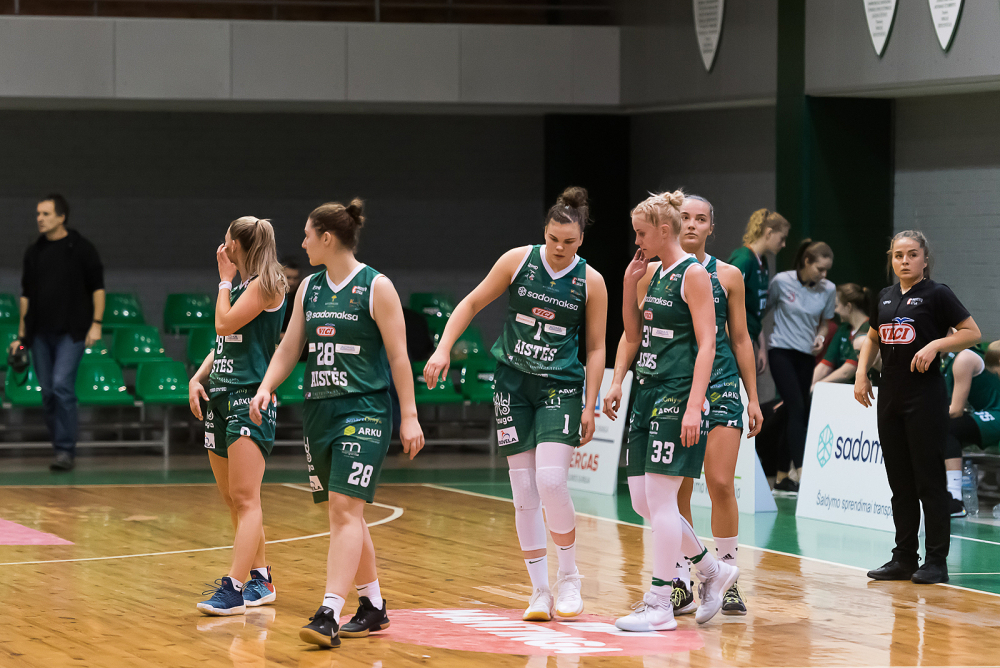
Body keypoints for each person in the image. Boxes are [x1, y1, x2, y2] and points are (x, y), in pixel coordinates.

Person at [423, 187, 608, 622]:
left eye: (569, 241)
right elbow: (471, 302)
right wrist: (443, 348)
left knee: (551, 481)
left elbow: (597, 348)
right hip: (512, 384)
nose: (559, 248)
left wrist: (590, 404)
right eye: (553, 239)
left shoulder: (592, 281)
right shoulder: (517, 260)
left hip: (560, 386)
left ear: (581, 239)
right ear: (544, 233)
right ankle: (539, 591)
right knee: (524, 491)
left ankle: (569, 576)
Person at [248, 199, 425, 648]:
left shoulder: (376, 286)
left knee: (345, 509)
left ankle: (328, 611)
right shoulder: (309, 287)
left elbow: (399, 357)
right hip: (320, 412)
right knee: (346, 511)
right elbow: (290, 346)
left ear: (327, 237)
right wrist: (266, 386)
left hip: (364, 409)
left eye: (308, 235)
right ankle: (373, 604)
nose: (303, 243)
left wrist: (409, 416)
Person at [604, 195, 763, 618]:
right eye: (686, 217)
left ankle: (722, 576)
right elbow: (634, 334)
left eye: (700, 219)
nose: (692, 224)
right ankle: (683, 580)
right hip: (661, 387)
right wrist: (617, 379)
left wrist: (753, 396)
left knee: (719, 482)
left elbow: (736, 339)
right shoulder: (650, 273)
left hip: (714, 385)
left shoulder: (721, 275)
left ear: (711, 227)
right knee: (666, 495)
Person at [855, 230, 980, 585]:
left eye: (912, 254)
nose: (905, 261)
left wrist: (937, 344)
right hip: (889, 397)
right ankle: (904, 557)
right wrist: (862, 373)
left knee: (929, 480)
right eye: (898, 255)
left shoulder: (937, 294)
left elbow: (972, 332)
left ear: (925, 259)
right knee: (900, 483)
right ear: (891, 259)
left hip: (924, 397)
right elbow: (873, 337)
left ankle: (937, 561)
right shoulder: (885, 296)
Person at [188, 217, 287, 616]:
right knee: (234, 499)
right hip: (221, 396)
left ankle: (233, 587)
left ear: (236, 247)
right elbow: (224, 340)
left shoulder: (265, 284)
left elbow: (223, 321)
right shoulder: (245, 286)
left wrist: (223, 281)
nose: (221, 246)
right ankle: (260, 579)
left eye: (226, 240)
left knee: (246, 498)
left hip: (250, 399)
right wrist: (198, 377)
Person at [10, 194, 105, 472]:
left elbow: (98, 289)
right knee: (49, 393)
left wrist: (96, 323)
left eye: (46, 214)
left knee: (62, 385)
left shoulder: (82, 249)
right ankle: (60, 447)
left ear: (61, 217)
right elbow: (25, 296)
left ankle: (65, 450)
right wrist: (21, 336)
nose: (40, 219)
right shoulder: (34, 252)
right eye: (38, 214)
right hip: (39, 334)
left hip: (71, 333)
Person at [765, 240, 835, 493]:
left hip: (806, 357)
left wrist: (821, 337)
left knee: (791, 412)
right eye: (820, 269)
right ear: (806, 262)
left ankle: (782, 476)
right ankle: (805, 475)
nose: (824, 275)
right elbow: (760, 312)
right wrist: (756, 343)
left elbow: (825, 323)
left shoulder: (828, 289)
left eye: (827, 270)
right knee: (796, 407)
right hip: (781, 352)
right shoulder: (781, 282)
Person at [727, 209, 790, 374]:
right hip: (733, 343)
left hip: (749, 339)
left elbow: (754, 311)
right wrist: (735, 345)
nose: (784, 244)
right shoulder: (743, 260)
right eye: (782, 238)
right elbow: (723, 304)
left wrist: (761, 347)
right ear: (769, 233)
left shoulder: (762, 261)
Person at [941, 342, 1000, 517]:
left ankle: (954, 498)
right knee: (940, 430)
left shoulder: (964, 358)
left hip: (996, 413)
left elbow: (956, 410)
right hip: (989, 413)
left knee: (948, 427)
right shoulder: (947, 362)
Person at [811, 283, 872, 389]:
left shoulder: (870, 329)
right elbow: (825, 365)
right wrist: (805, 386)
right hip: (842, 389)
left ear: (848, 307)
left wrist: (817, 386)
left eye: (836, 306)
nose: (835, 311)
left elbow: (848, 370)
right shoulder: (843, 329)